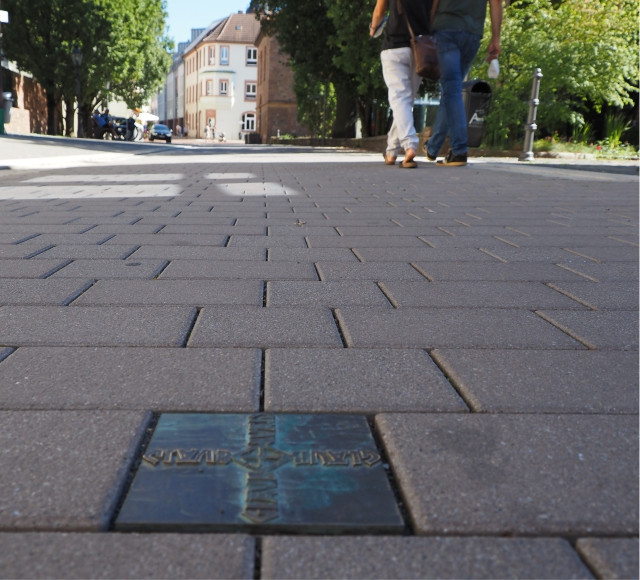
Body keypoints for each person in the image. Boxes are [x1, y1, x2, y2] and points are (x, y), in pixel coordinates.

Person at [424, 0, 502, 167]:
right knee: (452, 88)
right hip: (472, 33)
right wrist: (496, 38)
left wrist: (428, 30)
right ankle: (433, 147)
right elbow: (496, 3)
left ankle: (459, 150)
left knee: (451, 88)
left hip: (446, 28)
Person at [370, 0, 432, 168]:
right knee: (405, 101)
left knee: (400, 99)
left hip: (394, 46)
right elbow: (432, 16)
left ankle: (410, 144)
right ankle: (391, 151)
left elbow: (379, 10)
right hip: (419, 48)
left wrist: (373, 28)